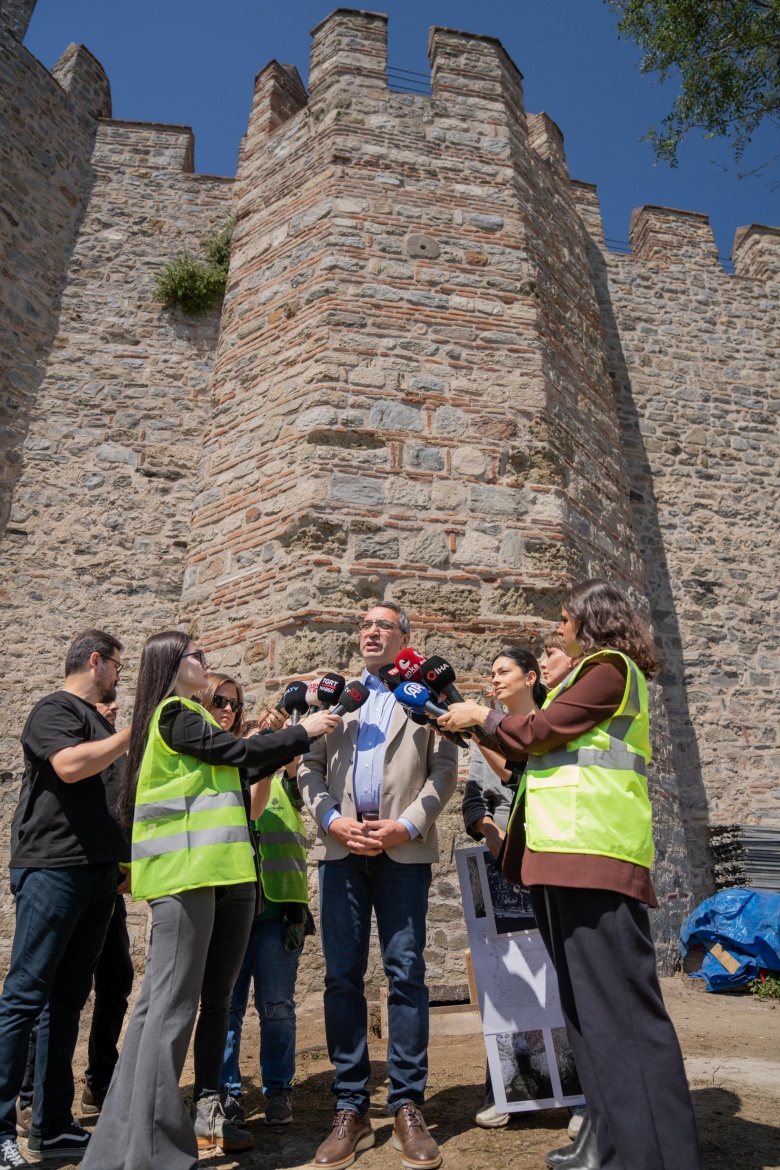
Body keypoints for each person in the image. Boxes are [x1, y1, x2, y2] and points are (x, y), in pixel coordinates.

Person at [439, 580, 701, 1170]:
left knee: (623, 1017)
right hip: (561, 862)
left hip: (595, 862)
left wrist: (483, 714)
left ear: (590, 620)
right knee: (589, 1019)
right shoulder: (590, 678)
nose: (558, 630)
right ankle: (614, 1147)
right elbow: (533, 756)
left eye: (564, 620)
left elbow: (537, 734)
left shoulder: (609, 668)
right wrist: (476, 726)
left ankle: (657, 1156)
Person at [80, 632, 341, 1170]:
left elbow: (239, 767)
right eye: (196, 656)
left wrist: (282, 734)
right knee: (168, 1011)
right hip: (188, 878)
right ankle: (148, 1150)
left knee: (178, 1007)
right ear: (171, 665)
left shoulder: (184, 719)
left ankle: (133, 1142)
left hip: (217, 876)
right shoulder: (174, 713)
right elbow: (237, 752)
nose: (206, 663)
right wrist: (302, 732)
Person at [298, 602, 458, 1170]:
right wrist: (330, 820)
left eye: (383, 625)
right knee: (342, 976)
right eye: (364, 625)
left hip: (403, 851)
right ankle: (351, 1108)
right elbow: (306, 767)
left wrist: (407, 825)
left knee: (405, 972)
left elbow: (445, 772)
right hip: (341, 847)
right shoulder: (336, 696)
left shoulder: (424, 699)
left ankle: (408, 1105)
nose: (370, 631)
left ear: (405, 638)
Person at [0, 630, 131, 1169]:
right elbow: (71, 767)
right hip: (53, 869)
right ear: (95, 661)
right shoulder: (53, 708)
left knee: (66, 1003)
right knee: (25, 997)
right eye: (117, 666)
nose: (120, 675)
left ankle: (52, 1127)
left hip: (98, 876)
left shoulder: (100, 719)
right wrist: (132, 730)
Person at [217, 694, 313, 1129]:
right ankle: (227, 1093)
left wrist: (283, 741)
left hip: (278, 913)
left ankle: (278, 1091)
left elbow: (294, 772)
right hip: (232, 912)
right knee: (227, 1008)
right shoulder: (226, 776)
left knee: (277, 1007)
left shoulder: (286, 782)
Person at [462, 648, 546, 1129]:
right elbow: (475, 798)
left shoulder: (551, 722)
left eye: (503, 672)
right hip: (502, 866)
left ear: (530, 676)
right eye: (490, 672)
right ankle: (507, 1086)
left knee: (557, 976)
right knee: (506, 980)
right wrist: (491, 832)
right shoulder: (483, 734)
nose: (493, 680)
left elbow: (523, 777)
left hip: (548, 860)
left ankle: (573, 1091)